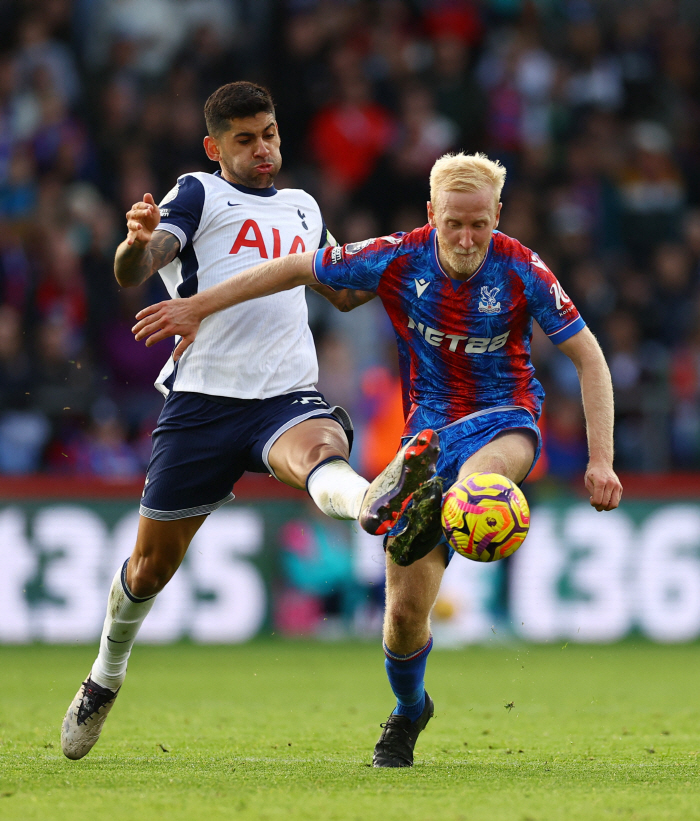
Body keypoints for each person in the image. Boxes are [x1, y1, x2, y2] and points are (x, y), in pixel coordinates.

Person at [132, 151, 623, 768]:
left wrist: (601, 461)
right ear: (431, 215)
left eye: (480, 224)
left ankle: (442, 497)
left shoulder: (523, 269)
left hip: (505, 422)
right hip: (426, 437)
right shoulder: (398, 254)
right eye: (454, 224)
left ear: (498, 215)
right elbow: (291, 268)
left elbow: (590, 358)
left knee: (478, 478)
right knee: (401, 621)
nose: (468, 238)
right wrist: (199, 305)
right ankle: (411, 709)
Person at [60, 82, 440, 761]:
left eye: (268, 133)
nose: (262, 147)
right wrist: (135, 243)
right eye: (244, 138)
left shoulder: (301, 206)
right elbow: (134, 269)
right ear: (215, 148)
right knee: (147, 571)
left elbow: (343, 291)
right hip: (202, 404)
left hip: (283, 395)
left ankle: (375, 499)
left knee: (321, 449)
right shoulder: (198, 194)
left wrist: (400, 260)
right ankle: (103, 678)